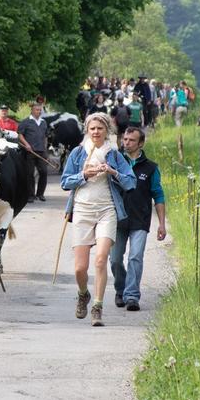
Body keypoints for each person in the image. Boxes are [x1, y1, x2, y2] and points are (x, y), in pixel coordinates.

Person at [61, 113, 136, 327]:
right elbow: (66, 182)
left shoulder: (114, 154)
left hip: (107, 211)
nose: (96, 132)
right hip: (82, 211)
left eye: (100, 128)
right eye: (92, 128)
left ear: (107, 131)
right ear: (87, 130)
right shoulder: (78, 153)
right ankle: (83, 293)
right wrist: (83, 175)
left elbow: (131, 183)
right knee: (79, 268)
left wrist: (113, 172)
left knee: (101, 259)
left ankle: (97, 306)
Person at [110, 127, 167, 311]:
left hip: (140, 219)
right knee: (115, 260)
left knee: (135, 257)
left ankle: (132, 296)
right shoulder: (113, 162)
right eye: (125, 139)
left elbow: (158, 195)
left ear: (141, 143)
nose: (126, 143)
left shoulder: (151, 168)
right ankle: (121, 289)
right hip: (117, 219)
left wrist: (162, 224)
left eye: (131, 140)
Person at [18, 103, 49, 203]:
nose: (39, 112)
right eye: (37, 110)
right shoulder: (26, 122)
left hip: (41, 151)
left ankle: (40, 194)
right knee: (29, 174)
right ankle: (31, 195)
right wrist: (26, 144)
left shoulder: (43, 122)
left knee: (44, 172)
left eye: (40, 110)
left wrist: (45, 148)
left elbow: (45, 137)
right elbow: (20, 135)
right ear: (32, 110)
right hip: (29, 151)